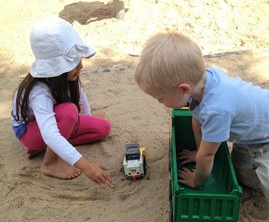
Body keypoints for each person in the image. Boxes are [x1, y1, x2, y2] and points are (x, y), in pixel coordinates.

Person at [135, 31, 269, 202]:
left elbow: (207, 156)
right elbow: (197, 118)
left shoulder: (216, 110)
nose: (161, 103)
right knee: (241, 171)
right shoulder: (204, 81)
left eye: (161, 98)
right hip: (251, 133)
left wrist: (197, 181)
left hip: (264, 140)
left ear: (183, 89)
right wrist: (199, 150)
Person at [11, 17, 113, 188]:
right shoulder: (39, 91)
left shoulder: (65, 77)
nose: (80, 66)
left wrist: (86, 118)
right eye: (73, 63)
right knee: (69, 112)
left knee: (103, 127)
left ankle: (49, 146)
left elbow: (80, 96)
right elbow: (51, 133)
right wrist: (86, 166)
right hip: (29, 130)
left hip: (49, 125)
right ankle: (49, 163)